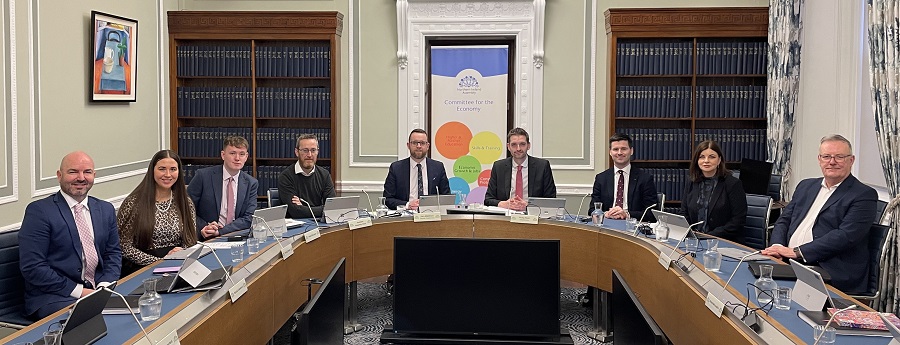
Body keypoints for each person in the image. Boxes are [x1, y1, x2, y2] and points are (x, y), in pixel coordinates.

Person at [762, 135, 877, 293]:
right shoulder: (806, 186)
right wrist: (777, 246)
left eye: (839, 157)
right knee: (751, 280)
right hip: (789, 260)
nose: (832, 161)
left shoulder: (864, 194)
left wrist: (796, 252)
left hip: (829, 268)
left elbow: (845, 236)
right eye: (827, 156)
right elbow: (784, 220)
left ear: (851, 160)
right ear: (819, 159)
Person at [19, 152, 122, 319]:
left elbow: (113, 253)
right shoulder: (40, 211)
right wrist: (81, 291)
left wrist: (104, 285)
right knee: (94, 319)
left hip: (98, 289)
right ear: (59, 175)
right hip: (55, 296)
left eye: (87, 172)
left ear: (94, 175)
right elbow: (33, 267)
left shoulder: (105, 209)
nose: (81, 178)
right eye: (73, 171)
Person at [117, 150, 198, 277]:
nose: (168, 174)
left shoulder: (185, 202)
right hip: (142, 269)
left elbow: (190, 240)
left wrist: (180, 254)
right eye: (162, 169)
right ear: (152, 171)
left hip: (177, 265)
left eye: (173, 169)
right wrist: (159, 262)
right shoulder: (133, 203)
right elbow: (123, 246)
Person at [187, 136, 259, 240]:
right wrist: (205, 227)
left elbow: (249, 218)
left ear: (246, 157)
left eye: (241, 154)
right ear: (223, 155)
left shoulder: (251, 183)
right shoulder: (203, 176)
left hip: (236, 237)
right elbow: (187, 210)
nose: (237, 158)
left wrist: (220, 232)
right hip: (205, 237)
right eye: (232, 153)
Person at [680, 140, 747, 243]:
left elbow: (738, 220)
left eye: (712, 157)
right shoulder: (691, 182)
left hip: (723, 242)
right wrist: (690, 234)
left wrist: (708, 236)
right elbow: (684, 212)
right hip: (694, 241)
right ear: (697, 160)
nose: (706, 161)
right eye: (702, 157)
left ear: (719, 160)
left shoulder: (733, 184)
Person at [589, 133, 658, 220]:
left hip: (632, 227)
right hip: (607, 224)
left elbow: (652, 213)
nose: (619, 153)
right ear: (610, 152)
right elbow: (592, 210)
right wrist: (605, 214)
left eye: (624, 149)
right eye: (615, 149)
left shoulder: (645, 179)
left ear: (631, 151)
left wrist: (627, 214)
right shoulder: (601, 178)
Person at [485, 128, 557, 211]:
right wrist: (503, 204)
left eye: (522, 144)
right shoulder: (499, 167)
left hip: (532, 217)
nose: (518, 148)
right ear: (508, 147)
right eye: (514, 145)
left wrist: (528, 206)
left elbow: (551, 200)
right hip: (506, 217)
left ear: (528, 145)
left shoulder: (542, 166)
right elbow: (488, 200)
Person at [383, 129, 451, 210]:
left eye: (422, 143)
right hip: (405, 217)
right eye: (415, 143)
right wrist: (408, 205)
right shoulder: (396, 168)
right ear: (408, 145)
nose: (418, 146)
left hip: (431, 216)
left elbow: (446, 198)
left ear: (428, 146)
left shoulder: (438, 167)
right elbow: (387, 199)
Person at [278, 133, 336, 219]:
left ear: (317, 152)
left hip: (320, 225)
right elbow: (296, 212)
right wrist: (322, 208)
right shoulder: (286, 177)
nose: (309, 155)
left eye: (313, 150)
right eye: (305, 150)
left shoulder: (325, 175)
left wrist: (304, 208)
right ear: (297, 152)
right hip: (296, 228)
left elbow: (333, 208)